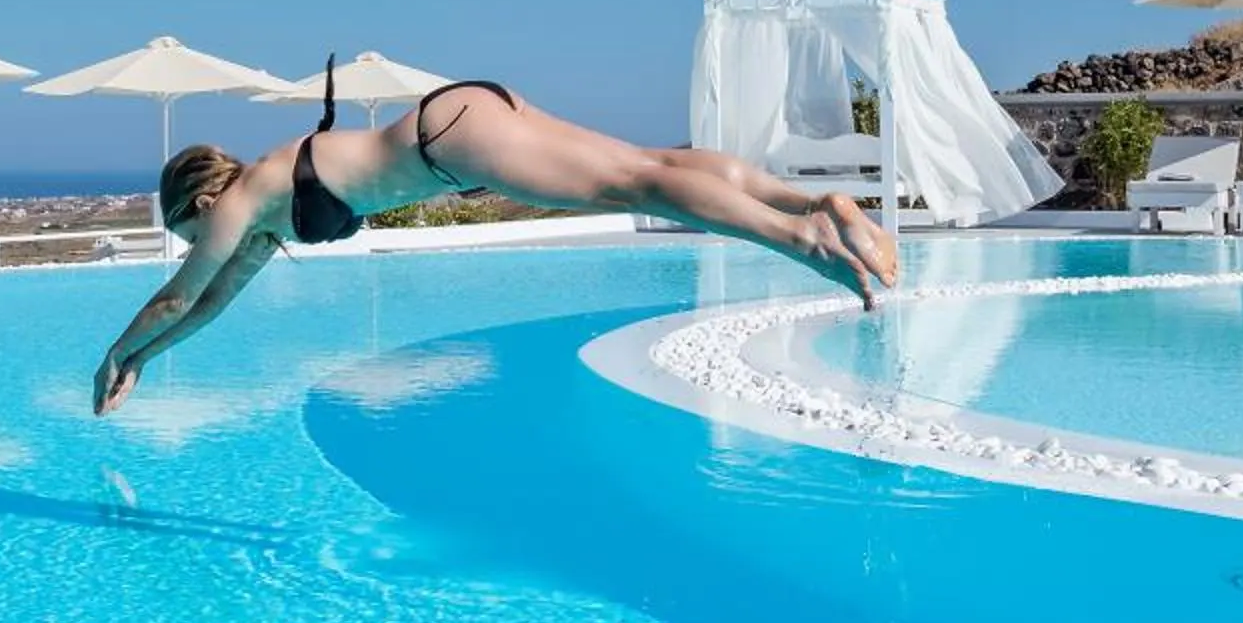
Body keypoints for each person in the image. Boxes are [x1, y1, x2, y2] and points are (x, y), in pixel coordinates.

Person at [91, 60, 900, 415]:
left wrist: (110, 352)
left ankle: (804, 240)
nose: (199, 240)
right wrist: (141, 361)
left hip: (447, 143)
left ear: (199, 196)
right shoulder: (264, 221)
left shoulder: (248, 191)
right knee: (650, 165)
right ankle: (811, 204)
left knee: (640, 182)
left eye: (188, 226)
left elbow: (177, 293)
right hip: (461, 117)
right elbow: (206, 308)